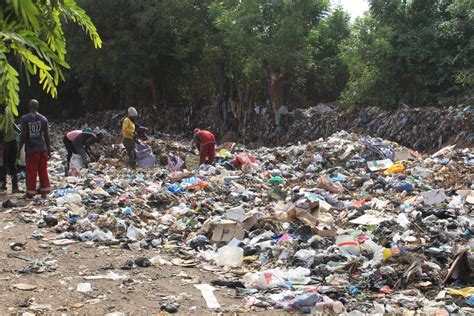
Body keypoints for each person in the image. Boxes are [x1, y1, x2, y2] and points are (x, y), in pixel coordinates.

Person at [18, 99, 51, 198]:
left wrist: (19, 149)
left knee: (31, 171)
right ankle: (44, 192)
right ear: (38, 107)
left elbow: (23, 135)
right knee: (43, 170)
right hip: (42, 148)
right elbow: (47, 136)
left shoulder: (25, 119)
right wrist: (49, 150)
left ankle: (30, 193)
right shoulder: (43, 119)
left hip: (32, 149)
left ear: (29, 106)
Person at [0, 101, 21, 193]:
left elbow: (12, 123)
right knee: (3, 165)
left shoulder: (8, 109)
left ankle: (15, 187)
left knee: (13, 164)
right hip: (3, 142)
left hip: (12, 140)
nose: (6, 103)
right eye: (4, 102)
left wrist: (20, 131)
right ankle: (3, 185)